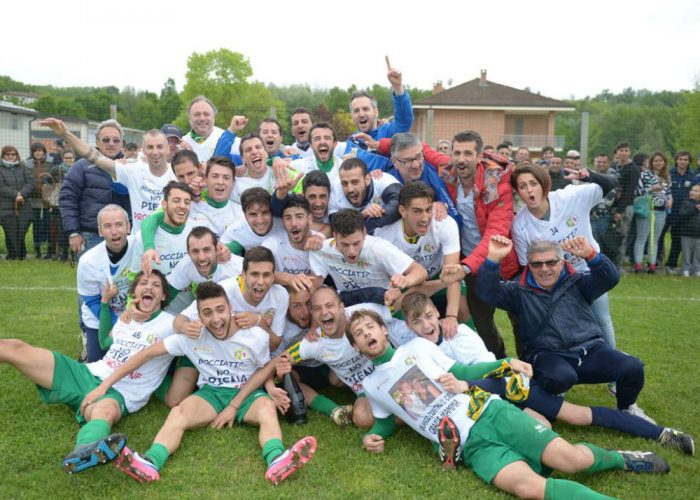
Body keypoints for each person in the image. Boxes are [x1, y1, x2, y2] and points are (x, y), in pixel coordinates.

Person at [346, 309, 670, 500]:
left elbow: (462, 372)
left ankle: (619, 459)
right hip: (470, 447)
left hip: (490, 412)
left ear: (384, 329)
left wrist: (505, 363)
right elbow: (386, 419)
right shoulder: (372, 386)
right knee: (530, 489)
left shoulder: (416, 346)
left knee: (571, 460)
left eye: (369, 327)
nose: (366, 334)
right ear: (357, 347)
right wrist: (374, 435)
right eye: (359, 334)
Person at [80, 281, 316, 485]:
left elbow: (264, 368)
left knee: (267, 410)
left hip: (247, 394)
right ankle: (150, 462)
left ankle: (277, 460)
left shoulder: (254, 335)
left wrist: (266, 391)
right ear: (199, 317)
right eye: (207, 313)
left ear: (230, 309)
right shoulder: (190, 337)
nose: (215, 319)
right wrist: (104, 385)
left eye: (220, 310)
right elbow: (145, 354)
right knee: (178, 412)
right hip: (211, 394)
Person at [401, 291, 694, 455]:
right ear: (409, 326)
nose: (426, 324)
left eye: (429, 316)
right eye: (418, 322)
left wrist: (465, 384)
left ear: (438, 314)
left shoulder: (460, 334)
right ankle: (603, 456)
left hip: (502, 386)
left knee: (578, 415)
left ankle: (663, 434)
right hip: (472, 401)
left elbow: (492, 373)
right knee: (542, 430)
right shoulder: (414, 347)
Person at [0, 270, 175, 475]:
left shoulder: (170, 323)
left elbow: (191, 327)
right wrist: (104, 304)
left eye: (155, 285)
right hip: (87, 374)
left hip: (119, 392)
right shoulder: (126, 319)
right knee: (13, 347)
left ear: (163, 295)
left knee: (104, 412)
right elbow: (104, 342)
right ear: (134, 291)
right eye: (143, 283)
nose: (148, 287)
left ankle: (84, 450)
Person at [477, 235, 656, 424]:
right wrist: (492, 260)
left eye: (551, 262)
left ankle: (626, 407)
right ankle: (547, 402)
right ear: (529, 265)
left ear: (562, 263)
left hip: (589, 350)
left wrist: (591, 255)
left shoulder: (577, 282)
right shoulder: (518, 291)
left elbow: (610, 278)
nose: (544, 269)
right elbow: (487, 292)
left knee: (632, 367)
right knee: (560, 376)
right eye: (537, 264)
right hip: (547, 354)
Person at [509, 162, 619, 357]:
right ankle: (564, 374)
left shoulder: (570, 196)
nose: (529, 190)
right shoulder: (520, 225)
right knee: (563, 326)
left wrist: (590, 175)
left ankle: (615, 374)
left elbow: (612, 183)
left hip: (589, 268)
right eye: (522, 186)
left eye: (533, 183)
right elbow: (527, 265)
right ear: (517, 192)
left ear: (543, 184)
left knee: (602, 319)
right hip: (558, 281)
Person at [434, 130, 518, 358]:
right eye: (457, 153)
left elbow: (495, 234)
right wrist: (380, 144)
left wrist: (464, 267)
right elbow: (421, 151)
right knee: (482, 321)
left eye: (468, 153)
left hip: (504, 263)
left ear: (479, 156)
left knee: (521, 319)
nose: (462, 159)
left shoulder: (496, 183)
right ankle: (498, 363)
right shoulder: (448, 175)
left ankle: (531, 371)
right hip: (473, 267)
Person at [280, 286, 414, 427]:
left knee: (412, 396)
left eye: (329, 305)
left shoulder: (362, 314)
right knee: (361, 418)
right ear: (313, 313)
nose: (324, 312)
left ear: (342, 308)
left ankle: (405, 411)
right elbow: (280, 361)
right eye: (318, 308)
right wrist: (273, 381)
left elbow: (400, 306)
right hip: (365, 388)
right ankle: (402, 416)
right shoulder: (313, 342)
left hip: (391, 373)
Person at [41, 118, 177, 235]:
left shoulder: (178, 174)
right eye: (150, 147)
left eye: (159, 147)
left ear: (167, 148)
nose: (155, 152)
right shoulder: (130, 170)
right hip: (132, 242)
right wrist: (66, 134)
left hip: (168, 240)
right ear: (143, 149)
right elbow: (93, 156)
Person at [374, 182, 461, 335]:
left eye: (428, 210)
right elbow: (391, 289)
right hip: (409, 286)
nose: (425, 218)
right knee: (407, 322)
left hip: (440, 277)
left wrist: (451, 317)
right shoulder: (384, 235)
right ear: (402, 211)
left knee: (462, 310)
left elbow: (452, 275)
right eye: (417, 211)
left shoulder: (445, 224)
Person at [174, 246, 289, 351]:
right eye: (254, 274)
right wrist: (186, 327)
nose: (260, 282)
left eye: (266, 275)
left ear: (273, 276)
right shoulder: (224, 290)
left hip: (257, 358)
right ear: (243, 274)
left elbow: (274, 345)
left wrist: (258, 321)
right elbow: (178, 321)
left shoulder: (281, 295)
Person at [309, 209, 427, 307]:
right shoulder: (322, 250)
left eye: (356, 243)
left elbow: (420, 271)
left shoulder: (378, 248)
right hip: (347, 305)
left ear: (364, 233)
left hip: (382, 304)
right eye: (344, 244)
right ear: (334, 236)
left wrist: (405, 281)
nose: (351, 251)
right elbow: (315, 288)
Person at [54, 119, 130, 257]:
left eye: (116, 140)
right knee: (92, 278)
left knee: (124, 279)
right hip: (90, 236)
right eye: (106, 140)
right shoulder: (80, 167)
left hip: (125, 236)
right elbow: (67, 199)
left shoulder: (131, 167)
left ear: (122, 144)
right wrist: (73, 232)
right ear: (97, 142)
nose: (111, 143)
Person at [77, 205, 135, 362]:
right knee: (97, 368)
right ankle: (89, 344)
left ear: (128, 226)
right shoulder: (88, 261)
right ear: (100, 231)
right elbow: (91, 300)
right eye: (107, 226)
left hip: (134, 316)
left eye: (119, 224)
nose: (114, 231)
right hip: (99, 319)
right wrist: (117, 323)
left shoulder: (139, 246)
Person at [262, 194, 323, 291]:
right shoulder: (272, 243)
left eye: (299, 216)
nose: (293, 223)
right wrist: (289, 278)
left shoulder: (320, 242)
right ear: (282, 222)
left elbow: (316, 285)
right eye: (288, 218)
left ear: (310, 219)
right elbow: (259, 269)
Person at [329, 157, 401, 234]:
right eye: (344, 183)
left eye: (355, 182)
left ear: (367, 179)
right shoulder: (334, 193)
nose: (350, 189)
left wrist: (366, 221)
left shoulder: (382, 180)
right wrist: (361, 216)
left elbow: (401, 203)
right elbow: (336, 226)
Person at [632, 152, 672, 274]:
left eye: (661, 160)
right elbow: (637, 191)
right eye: (656, 160)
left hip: (661, 211)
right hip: (646, 210)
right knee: (642, 237)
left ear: (664, 162)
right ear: (651, 162)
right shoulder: (644, 175)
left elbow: (668, 191)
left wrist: (670, 198)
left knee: (655, 238)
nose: (658, 163)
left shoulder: (667, 177)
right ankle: (638, 264)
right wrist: (650, 189)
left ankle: (652, 264)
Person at [664, 151, 695, 273]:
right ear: (676, 160)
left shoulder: (692, 176)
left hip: (683, 213)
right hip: (667, 211)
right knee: (660, 238)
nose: (683, 162)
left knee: (677, 239)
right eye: (680, 159)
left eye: (685, 160)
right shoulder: (669, 174)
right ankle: (655, 263)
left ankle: (672, 264)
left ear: (689, 162)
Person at [0, 146, 33, 260]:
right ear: (3, 156)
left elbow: (30, 182)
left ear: (16, 155)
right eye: (7, 154)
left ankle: (21, 254)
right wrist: (16, 195)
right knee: (10, 232)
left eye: (13, 154)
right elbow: (1, 186)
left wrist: (21, 194)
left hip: (23, 206)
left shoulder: (23, 167)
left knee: (22, 230)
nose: (10, 157)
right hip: (6, 206)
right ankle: (12, 254)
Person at [611, 142, 641, 266]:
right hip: (610, 204)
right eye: (621, 150)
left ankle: (619, 264)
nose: (623, 152)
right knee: (610, 235)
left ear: (630, 153)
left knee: (621, 235)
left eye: (626, 150)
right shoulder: (614, 166)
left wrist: (620, 211)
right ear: (617, 152)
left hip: (625, 207)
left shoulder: (634, 169)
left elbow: (630, 191)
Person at [182, 96, 230, 163]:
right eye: (197, 114)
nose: (202, 118)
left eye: (206, 114)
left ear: (214, 117)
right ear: (189, 118)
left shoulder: (227, 139)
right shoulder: (182, 144)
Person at [48, 148, 75, 261]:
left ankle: (74, 252)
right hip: (59, 204)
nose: (68, 160)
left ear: (74, 158)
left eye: (70, 158)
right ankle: (63, 253)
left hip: (74, 203)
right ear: (63, 159)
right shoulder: (56, 169)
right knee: (61, 229)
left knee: (73, 229)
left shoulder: (78, 169)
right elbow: (46, 180)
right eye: (66, 158)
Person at [25, 142, 51, 258]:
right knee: (36, 224)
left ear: (44, 152)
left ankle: (49, 249)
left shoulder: (50, 164)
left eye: (40, 151)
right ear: (32, 153)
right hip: (33, 199)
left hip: (47, 199)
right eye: (36, 151)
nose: (38, 153)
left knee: (47, 223)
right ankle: (37, 250)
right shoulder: (28, 165)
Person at [679, 184, 700, 277]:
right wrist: (695, 209)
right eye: (692, 190)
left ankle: (696, 269)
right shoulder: (686, 203)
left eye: (696, 191)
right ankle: (686, 269)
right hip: (687, 233)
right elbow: (682, 215)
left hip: (698, 235)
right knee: (686, 253)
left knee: (697, 254)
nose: (692, 192)